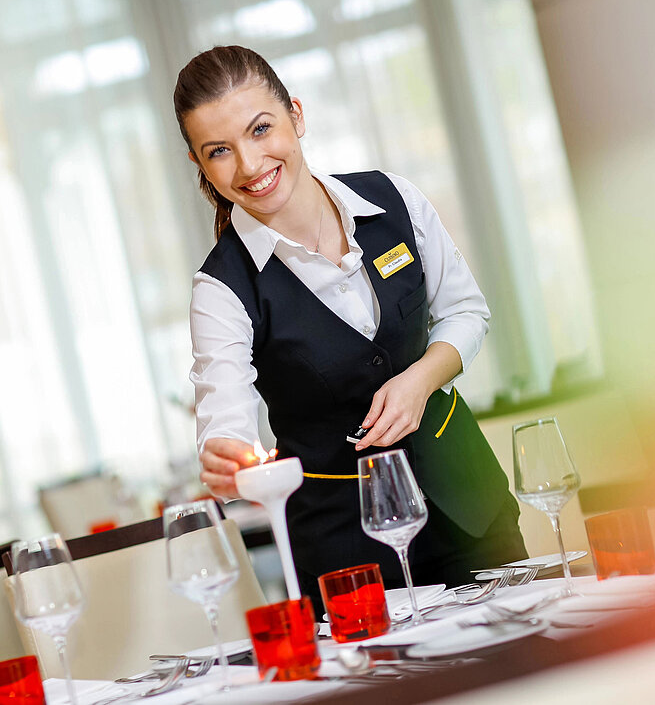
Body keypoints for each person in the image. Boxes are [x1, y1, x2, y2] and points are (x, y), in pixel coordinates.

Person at [175, 45, 527, 613]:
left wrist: (419, 381)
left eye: (261, 129)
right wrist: (226, 456)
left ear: (297, 115)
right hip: (350, 560)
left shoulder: (393, 199)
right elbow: (226, 417)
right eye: (220, 151)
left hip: (471, 510)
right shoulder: (221, 289)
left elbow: (465, 312)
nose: (248, 165)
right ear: (200, 164)